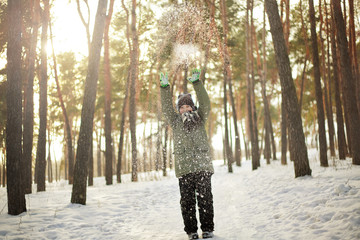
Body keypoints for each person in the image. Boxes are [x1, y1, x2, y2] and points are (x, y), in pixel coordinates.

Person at [159, 69, 215, 239]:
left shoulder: (200, 117)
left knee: (205, 200)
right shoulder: (176, 122)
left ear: (192, 106)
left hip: (202, 166)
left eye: (187, 105)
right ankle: (191, 231)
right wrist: (164, 88)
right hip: (184, 169)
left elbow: (206, 103)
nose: (185, 109)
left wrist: (197, 84)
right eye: (181, 107)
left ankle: (207, 229)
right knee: (187, 202)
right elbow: (167, 108)